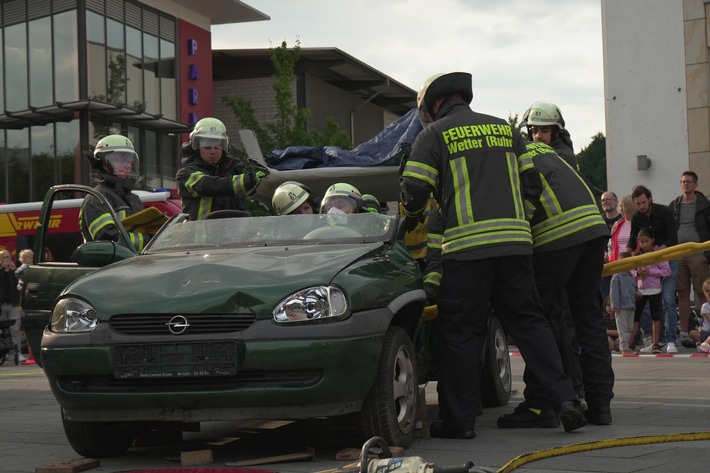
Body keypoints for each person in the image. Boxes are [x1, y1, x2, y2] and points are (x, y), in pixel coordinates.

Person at [400, 72, 586, 439]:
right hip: (516, 247)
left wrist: (413, 211)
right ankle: (566, 401)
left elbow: (415, 191)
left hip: (466, 253)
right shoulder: (506, 129)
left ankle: (460, 422)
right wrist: (518, 223)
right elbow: (532, 185)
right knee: (532, 325)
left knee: (462, 334)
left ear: (433, 105)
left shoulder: (433, 135)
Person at [497, 141, 613, 429]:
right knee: (589, 320)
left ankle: (546, 403)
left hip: (556, 238)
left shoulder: (508, 155)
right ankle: (600, 407)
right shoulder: (545, 151)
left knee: (546, 321)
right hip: (593, 229)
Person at [176, 117, 267, 221]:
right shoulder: (186, 174)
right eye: (207, 147)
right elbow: (213, 186)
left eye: (217, 147)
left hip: (234, 235)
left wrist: (265, 177)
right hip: (200, 236)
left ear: (224, 147)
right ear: (196, 147)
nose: (213, 151)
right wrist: (251, 179)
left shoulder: (234, 169)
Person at [626, 185, 678, 353]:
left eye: (643, 202)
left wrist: (656, 253)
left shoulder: (664, 212)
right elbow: (633, 241)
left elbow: (673, 239)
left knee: (668, 300)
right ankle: (656, 340)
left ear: (650, 198)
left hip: (667, 259)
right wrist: (626, 255)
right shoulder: (636, 218)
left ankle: (671, 340)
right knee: (650, 304)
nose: (641, 206)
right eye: (637, 203)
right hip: (647, 262)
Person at [79, 134, 151, 252]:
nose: (128, 166)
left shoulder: (134, 199)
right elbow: (109, 239)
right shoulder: (96, 198)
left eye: (129, 161)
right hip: (109, 268)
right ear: (104, 164)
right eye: (121, 160)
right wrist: (152, 241)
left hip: (137, 266)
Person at [668, 171, 710, 348]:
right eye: (683, 181)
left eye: (689, 181)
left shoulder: (704, 205)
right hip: (679, 253)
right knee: (683, 293)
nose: (685, 184)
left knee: (702, 292)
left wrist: (706, 253)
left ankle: (706, 330)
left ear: (696, 185)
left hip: (698, 253)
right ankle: (684, 332)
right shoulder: (674, 205)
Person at [628, 228, 672, 354]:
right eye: (641, 242)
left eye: (646, 241)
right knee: (636, 317)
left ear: (652, 240)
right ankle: (629, 343)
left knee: (655, 316)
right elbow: (631, 270)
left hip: (654, 290)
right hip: (641, 290)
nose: (644, 244)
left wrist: (650, 272)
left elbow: (667, 271)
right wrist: (637, 273)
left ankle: (656, 344)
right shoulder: (637, 255)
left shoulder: (658, 254)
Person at [522, 101, 578, 170]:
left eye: (544, 131)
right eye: (534, 131)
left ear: (556, 132)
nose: (538, 136)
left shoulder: (563, 157)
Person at [609, 251, 639, 354]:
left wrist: (637, 292)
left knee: (629, 328)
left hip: (631, 306)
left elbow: (634, 289)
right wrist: (615, 305)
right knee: (622, 328)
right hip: (621, 307)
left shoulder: (631, 277)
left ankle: (624, 346)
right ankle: (624, 347)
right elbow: (613, 293)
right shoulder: (616, 277)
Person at [0, 249, 27, 362]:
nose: (7, 259)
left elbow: (21, 284)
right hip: (1, 306)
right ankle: (3, 353)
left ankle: (17, 352)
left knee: (15, 330)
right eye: (4, 257)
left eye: (8, 256)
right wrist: (2, 269)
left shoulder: (14, 272)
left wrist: (13, 270)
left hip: (13, 305)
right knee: (2, 331)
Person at [689, 278, 710, 351]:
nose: (709, 293)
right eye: (707, 291)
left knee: (693, 333)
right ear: (704, 293)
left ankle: (699, 344)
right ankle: (704, 346)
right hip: (707, 333)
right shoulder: (705, 306)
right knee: (692, 333)